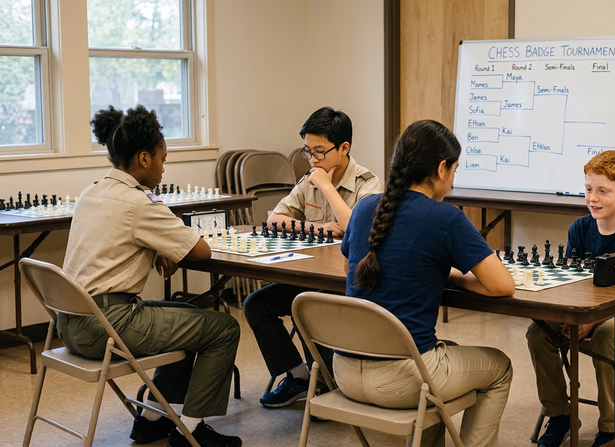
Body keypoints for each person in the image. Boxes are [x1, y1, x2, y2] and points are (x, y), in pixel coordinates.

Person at [61, 105, 241, 447]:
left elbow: (120, 236)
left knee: (188, 317)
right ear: (143, 159)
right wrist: (162, 244)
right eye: (162, 158)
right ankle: (191, 430)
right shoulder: (139, 202)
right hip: (109, 325)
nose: (163, 167)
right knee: (223, 328)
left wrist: (157, 246)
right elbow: (200, 251)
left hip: (71, 324)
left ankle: (153, 420)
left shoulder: (92, 192)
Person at [338, 119, 515, 446]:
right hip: (402, 380)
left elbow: (351, 266)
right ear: (441, 168)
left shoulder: (364, 208)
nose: (452, 179)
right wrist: (455, 279)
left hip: (344, 371)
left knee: (449, 354)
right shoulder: (446, 217)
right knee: (500, 368)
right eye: (455, 170)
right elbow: (502, 285)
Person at [242, 106, 383, 407]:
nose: (314, 159)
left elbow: (359, 231)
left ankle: (329, 383)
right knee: (257, 305)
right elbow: (275, 220)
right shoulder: (309, 179)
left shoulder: (368, 184)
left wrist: (328, 188)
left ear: (344, 148)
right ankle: (299, 376)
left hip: (349, 281)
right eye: (308, 152)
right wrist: (316, 226)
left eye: (320, 152)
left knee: (307, 306)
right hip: (310, 275)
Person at [527, 151, 615, 447]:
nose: (593, 198)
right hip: (587, 309)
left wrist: (595, 320)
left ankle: (611, 429)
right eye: (588, 189)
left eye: (603, 191)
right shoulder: (580, 229)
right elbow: (573, 282)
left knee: (607, 337)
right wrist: (581, 315)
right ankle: (560, 415)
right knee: (538, 332)